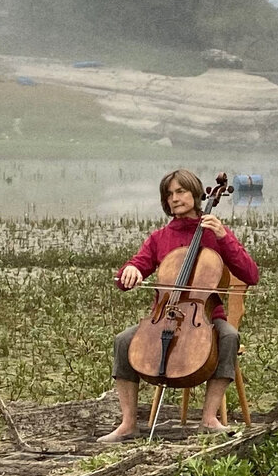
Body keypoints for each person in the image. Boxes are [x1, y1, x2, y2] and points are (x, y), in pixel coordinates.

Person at [102, 169, 260, 440]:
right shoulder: (159, 238)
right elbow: (133, 269)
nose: (175, 198)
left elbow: (251, 275)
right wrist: (131, 272)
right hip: (163, 315)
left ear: (196, 194)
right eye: (169, 194)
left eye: (181, 191)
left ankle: (209, 418)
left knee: (230, 336)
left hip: (206, 317)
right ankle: (128, 423)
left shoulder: (214, 233)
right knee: (123, 340)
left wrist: (224, 236)